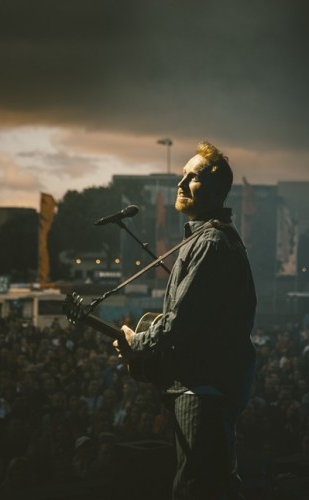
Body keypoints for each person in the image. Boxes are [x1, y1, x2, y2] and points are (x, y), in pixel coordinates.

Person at [114, 140, 257, 499]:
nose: (180, 185)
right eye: (182, 176)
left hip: (200, 390)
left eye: (191, 178)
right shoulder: (206, 241)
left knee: (195, 488)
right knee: (214, 485)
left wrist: (138, 343)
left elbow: (181, 322)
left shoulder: (210, 244)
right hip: (203, 388)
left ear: (215, 189)